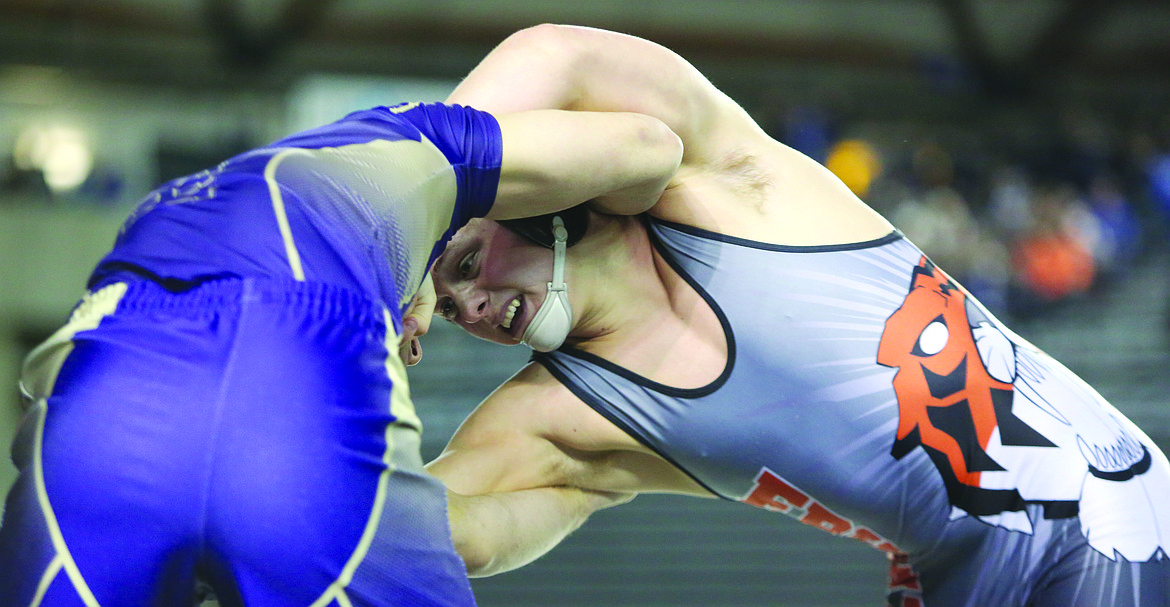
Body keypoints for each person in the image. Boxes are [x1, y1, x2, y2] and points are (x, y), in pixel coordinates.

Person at [425, 24, 1170, 606]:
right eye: (451, 309)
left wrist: (411, 219)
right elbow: (442, 532)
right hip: (953, 566)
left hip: (1100, 511)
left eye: (464, 266)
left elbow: (558, 53)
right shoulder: (555, 414)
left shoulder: (721, 185)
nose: (473, 307)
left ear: (526, 203)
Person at [0, 100, 681, 606]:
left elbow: (465, 535)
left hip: (97, 379)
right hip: (291, 345)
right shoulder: (420, 143)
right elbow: (650, 148)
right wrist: (595, 483)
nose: (463, 305)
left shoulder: (213, 199)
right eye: (460, 264)